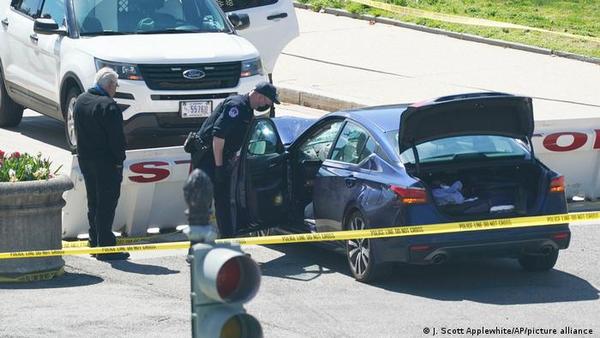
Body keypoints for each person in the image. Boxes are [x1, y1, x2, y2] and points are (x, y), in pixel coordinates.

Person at [189, 82, 279, 238]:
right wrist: (218, 167)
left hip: (221, 159)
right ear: (258, 95)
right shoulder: (236, 106)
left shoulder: (247, 109)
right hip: (209, 158)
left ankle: (227, 243)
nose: (265, 105)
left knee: (223, 204)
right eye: (266, 101)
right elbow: (218, 137)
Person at [74, 68, 129, 261]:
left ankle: (94, 240)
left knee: (93, 202)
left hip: (86, 159)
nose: (116, 89)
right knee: (107, 205)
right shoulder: (109, 106)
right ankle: (105, 246)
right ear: (110, 85)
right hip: (106, 163)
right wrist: (119, 160)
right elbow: (117, 140)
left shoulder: (81, 100)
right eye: (116, 85)